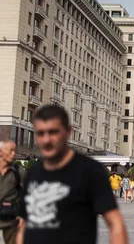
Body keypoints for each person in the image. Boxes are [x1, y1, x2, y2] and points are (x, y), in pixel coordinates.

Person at [15, 104, 127, 244]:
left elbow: (115, 224)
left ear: (68, 131)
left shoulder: (90, 170)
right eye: (40, 133)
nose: (46, 140)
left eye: (53, 132)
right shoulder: (33, 172)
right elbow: (23, 223)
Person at [0, 141, 25, 244]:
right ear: (0, 152)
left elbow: (27, 195)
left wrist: (23, 215)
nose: (13, 154)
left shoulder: (19, 171)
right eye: (10, 150)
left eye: (14, 150)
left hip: (11, 221)